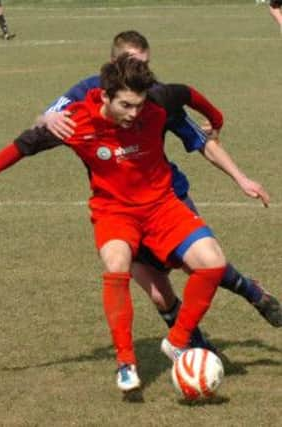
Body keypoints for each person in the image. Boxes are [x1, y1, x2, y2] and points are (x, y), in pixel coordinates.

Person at [0, 55, 233, 394]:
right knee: (116, 263)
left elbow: (190, 93)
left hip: (163, 206)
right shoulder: (75, 121)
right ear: (105, 96)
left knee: (213, 263)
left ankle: (178, 341)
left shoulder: (158, 100)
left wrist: (217, 120)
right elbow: (22, 146)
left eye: (138, 105)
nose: (134, 113)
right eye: (125, 105)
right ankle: (126, 363)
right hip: (114, 212)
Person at [37, 31, 281, 342]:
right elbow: (43, 122)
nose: (144, 74)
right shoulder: (85, 91)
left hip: (166, 198)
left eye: (146, 65)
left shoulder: (155, 98)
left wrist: (241, 177)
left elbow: (200, 140)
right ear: (113, 64)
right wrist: (47, 118)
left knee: (201, 267)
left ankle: (252, 291)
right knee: (158, 295)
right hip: (121, 209)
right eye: (133, 64)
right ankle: (196, 350)